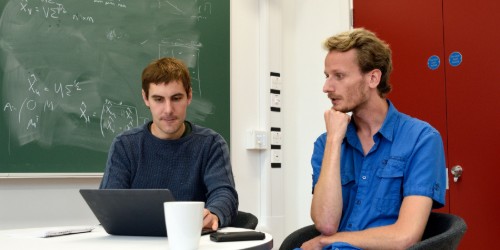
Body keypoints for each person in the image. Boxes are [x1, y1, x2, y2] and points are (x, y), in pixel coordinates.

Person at [301, 28, 447, 250]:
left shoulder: (422, 139)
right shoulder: (326, 142)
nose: (326, 88)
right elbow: (326, 223)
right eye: (327, 76)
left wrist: (327, 242)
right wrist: (334, 142)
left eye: (339, 76)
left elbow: (404, 236)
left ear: (373, 78)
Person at [100, 57, 238, 230]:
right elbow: (108, 204)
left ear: (189, 96)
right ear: (146, 98)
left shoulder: (211, 144)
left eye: (176, 98)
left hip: (191, 241)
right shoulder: (125, 145)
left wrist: (214, 213)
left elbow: (224, 193)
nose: (168, 110)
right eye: (158, 99)